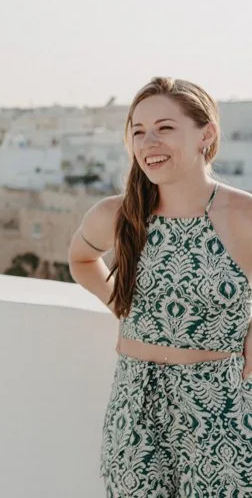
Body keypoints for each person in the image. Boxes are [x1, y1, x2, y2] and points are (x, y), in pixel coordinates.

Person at [69, 77, 252, 496]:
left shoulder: (242, 214)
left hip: (220, 408)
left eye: (165, 128)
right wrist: (120, 303)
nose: (149, 141)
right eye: (138, 131)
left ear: (206, 133)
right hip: (133, 403)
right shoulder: (117, 214)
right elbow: (80, 259)